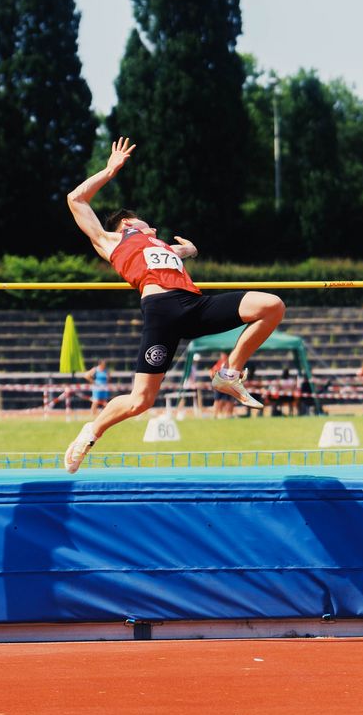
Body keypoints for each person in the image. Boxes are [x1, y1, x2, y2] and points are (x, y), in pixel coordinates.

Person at [60, 138, 285, 472]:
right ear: (126, 224)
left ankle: (229, 373)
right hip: (162, 312)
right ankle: (90, 433)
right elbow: (75, 199)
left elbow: (171, 254)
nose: (152, 226)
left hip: (195, 307)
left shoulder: (160, 245)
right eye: (142, 222)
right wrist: (110, 170)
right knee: (141, 401)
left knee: (272, 305)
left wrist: (189, 252)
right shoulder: (110, 241)